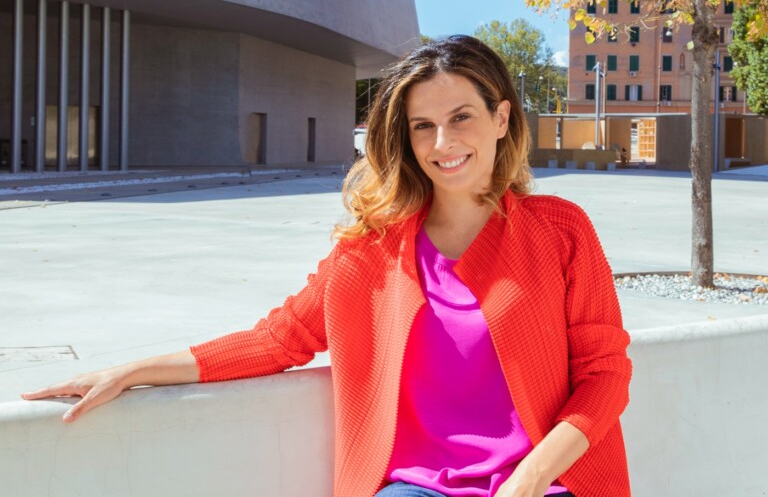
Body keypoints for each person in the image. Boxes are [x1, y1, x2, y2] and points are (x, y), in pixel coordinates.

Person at [22, 35, 632, 497]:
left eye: (461, 118)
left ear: (501, 119)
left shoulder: (559, 230)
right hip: (416, 487)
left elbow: (605, 375)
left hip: (546, 483)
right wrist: (132, 371)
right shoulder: (369, 250)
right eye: (423, 126)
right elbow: (278, 339)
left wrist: (528, 480)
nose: (442, 144)